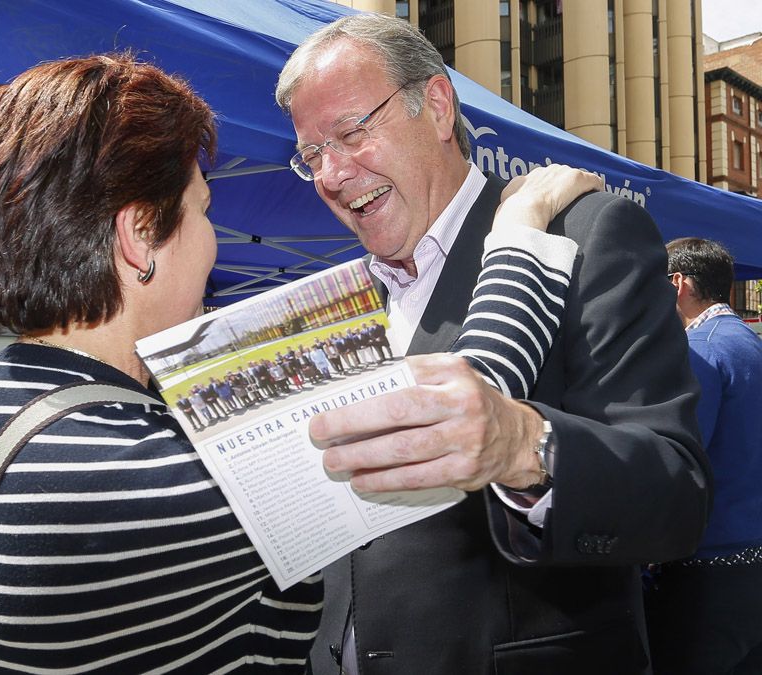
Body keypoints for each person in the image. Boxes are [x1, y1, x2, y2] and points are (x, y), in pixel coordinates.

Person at [0, 51, 590, 675]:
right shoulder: (144, 477)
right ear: (138, 239)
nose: (212, 242)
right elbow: (463, 416)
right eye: (202, 211)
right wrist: (520, 232)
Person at [276, 13, 710, 674]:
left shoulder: (582, 235)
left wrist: (523, 446)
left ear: (439, 106)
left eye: (351, 132)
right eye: (312, 154)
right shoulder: (334, 302)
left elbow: (675, 494)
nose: (332, 173)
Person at [645, 237, 762, 673]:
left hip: (710, 574)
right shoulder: (747, 342)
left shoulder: (701, 349)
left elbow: (682, 464)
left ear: (677, 283)